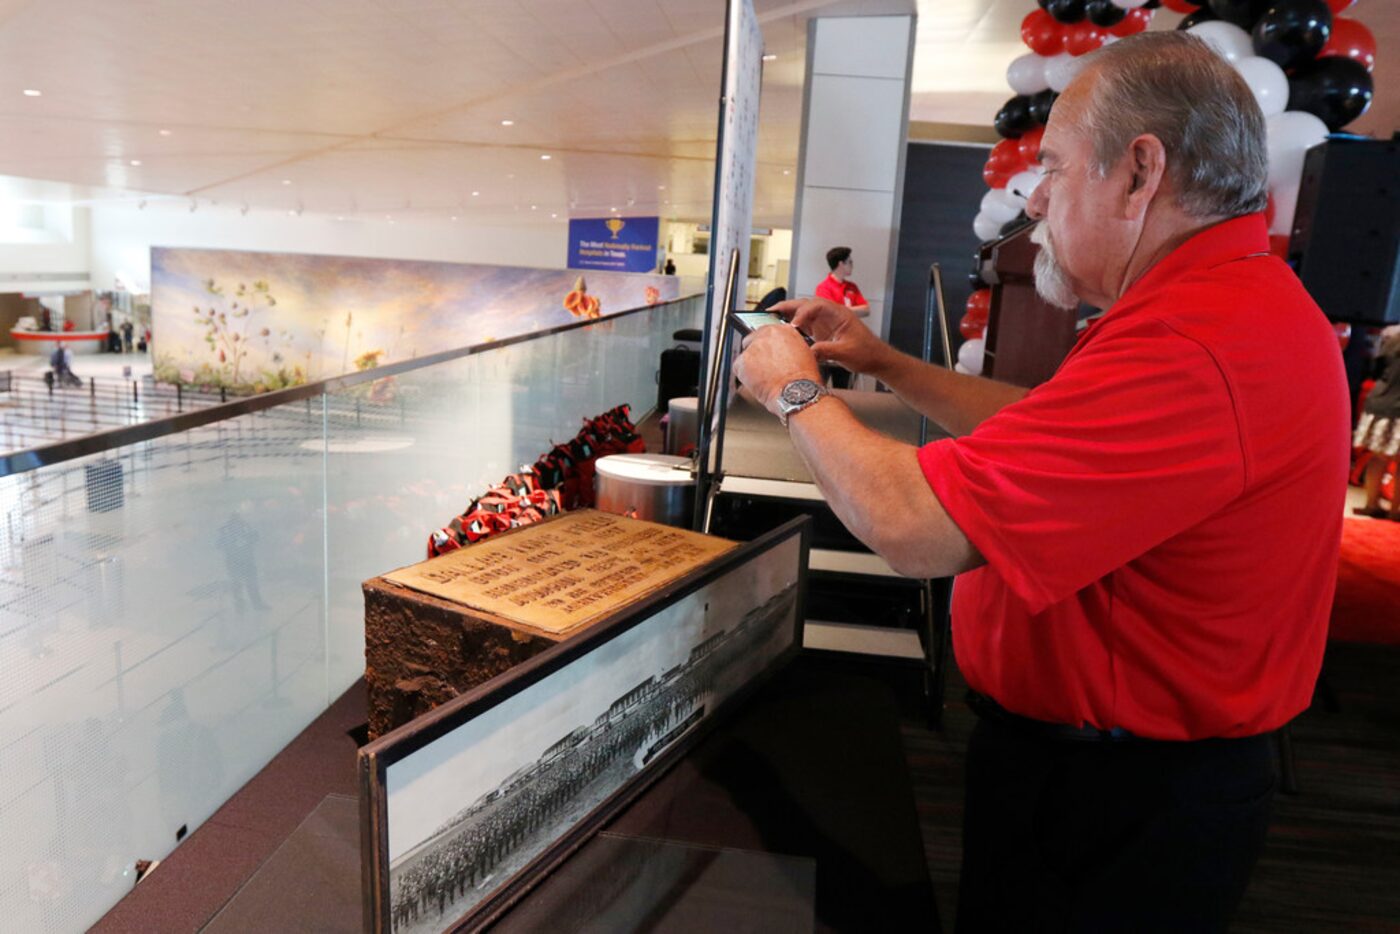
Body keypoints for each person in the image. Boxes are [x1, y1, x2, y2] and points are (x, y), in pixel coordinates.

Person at [735, 32, 1348, 932]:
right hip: (1108, 775)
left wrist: (791, 391)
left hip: (1121, 800)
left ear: (1140, 173)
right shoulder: (1216, 306)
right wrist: (885, 363)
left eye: (1055, 169)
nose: (1037, 201)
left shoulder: (1194, 346)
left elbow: (915, 526)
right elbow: (1036, 432)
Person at [1353, 325, 1400, 520]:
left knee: (1378, 457)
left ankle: (1371, 504)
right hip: (1397, 406)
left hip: (1380, 401)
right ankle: (1395, 511)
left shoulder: (1392, 335)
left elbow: (1375, 369)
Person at [814, 246, 870, 317]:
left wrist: (841, 310)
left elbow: (866, 310)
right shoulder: (823, 288)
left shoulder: (852, 286)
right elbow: (831, 313)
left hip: (851, 327)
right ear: (841, 264)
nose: (852, 266)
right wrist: (854, 310)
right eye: (850, 262)